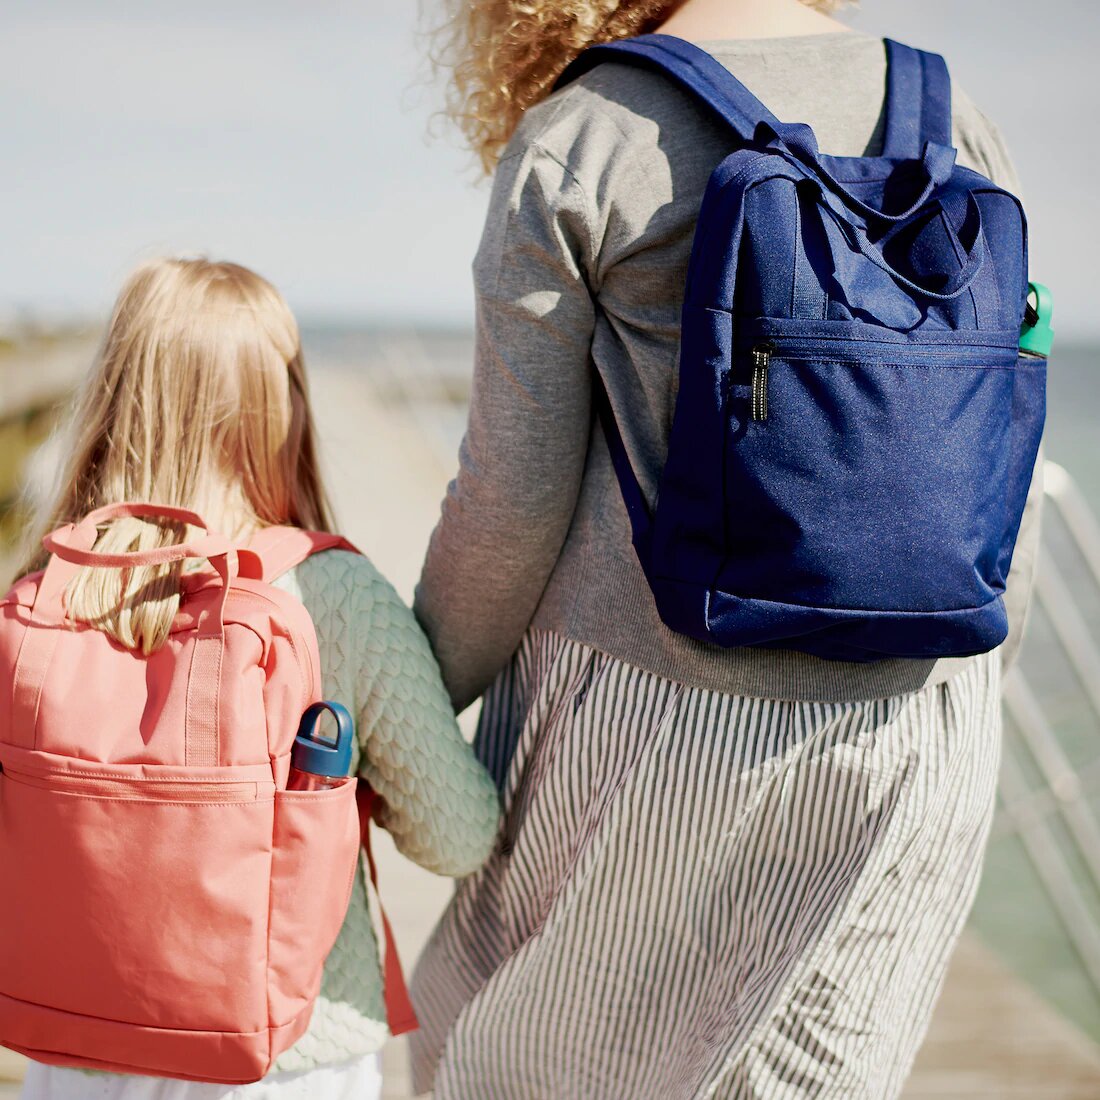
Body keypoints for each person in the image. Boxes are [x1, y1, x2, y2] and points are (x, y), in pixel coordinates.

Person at [410, 0, 1043, 1097]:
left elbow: (506, 506)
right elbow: (999, 454)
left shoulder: (590, 131)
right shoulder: (952, 115)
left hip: (662, 729)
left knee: (506, 1065)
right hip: (921, 730)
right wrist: (978, 673)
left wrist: (404, 708)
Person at [14, 257, 501, 1100]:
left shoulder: (47, 592)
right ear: (283, 407)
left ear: (116, 394)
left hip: (74, 1043)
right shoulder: (328, 596)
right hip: (282, 1054)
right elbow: (458, 836)